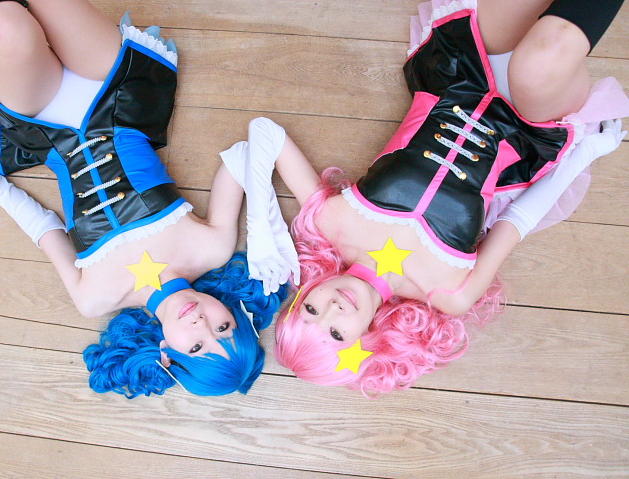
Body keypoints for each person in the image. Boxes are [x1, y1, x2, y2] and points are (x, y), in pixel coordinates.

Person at [221, 0, 628, 397]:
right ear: (365, 342)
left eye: (310, 310)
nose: (332, 308)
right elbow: (517, 220)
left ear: (301, 298)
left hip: (460, 71)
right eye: (336, 333)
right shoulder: (448, 293)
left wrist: (261, 231)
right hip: (528, 128)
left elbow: (265, 132)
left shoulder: (329, 222)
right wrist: (585, 155)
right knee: (539, 61)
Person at [0, 0, 288, 397]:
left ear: (167, 354)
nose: (201, 324)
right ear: (234, 313)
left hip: (44, 124)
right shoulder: (212, 248)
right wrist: (263, 235)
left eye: (197, 347)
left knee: (5, 28)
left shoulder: (95, 298)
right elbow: (243, 154)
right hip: (115, 93)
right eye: (223, 327)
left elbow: (44, 228)